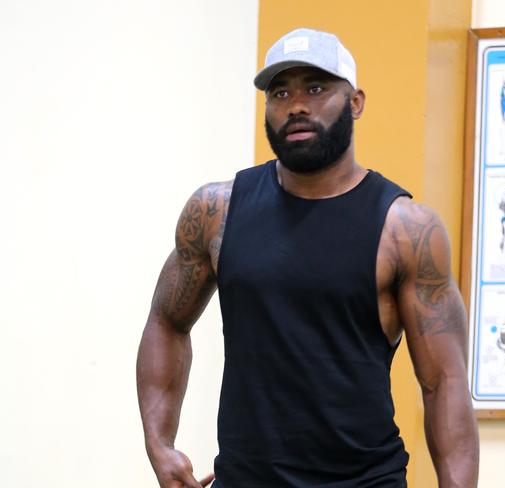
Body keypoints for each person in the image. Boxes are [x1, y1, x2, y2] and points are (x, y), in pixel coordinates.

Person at [137, 28, 479, 488]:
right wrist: (159, 445)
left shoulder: (406, 230)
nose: (296, 105)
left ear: (355, 102)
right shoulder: (216, 212)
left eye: (315, 89)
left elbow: (444, 383)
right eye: (280, 92)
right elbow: (166, 321)